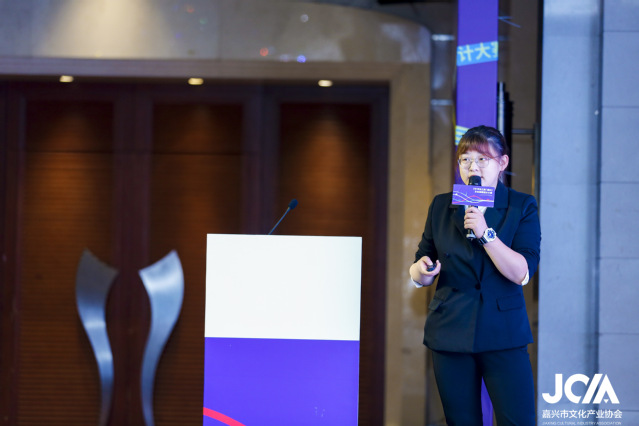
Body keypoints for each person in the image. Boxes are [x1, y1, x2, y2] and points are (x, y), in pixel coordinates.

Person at [409, 125, 540, 425]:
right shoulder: (442, 205)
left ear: (502, 163)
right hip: (451, 330)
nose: (473, 167)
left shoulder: (521, 205)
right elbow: (420, 265)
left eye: (482, 159)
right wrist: (423, 270)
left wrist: (485, 233)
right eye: (465, 159)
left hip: (503, 332)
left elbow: (522, 272)